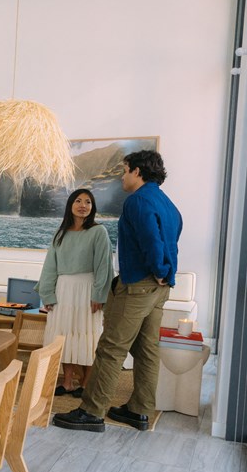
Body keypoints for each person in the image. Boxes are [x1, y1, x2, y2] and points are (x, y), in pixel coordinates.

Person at [53, 150, 182, 433]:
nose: (122, 177)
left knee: (111, 348)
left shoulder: (137, 201)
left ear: (137, 171)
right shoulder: (168, 204)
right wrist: (166, 274)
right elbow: (171, 242)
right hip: (159, 290)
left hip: (137, 286)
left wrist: (159, 270)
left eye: (125, 171)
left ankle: (90, 411)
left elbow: (151, 240)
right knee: (147, 350)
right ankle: (139, 411)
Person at [36, 189, 114, 397]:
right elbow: (50, 266)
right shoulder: (60, 233)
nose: (83, 205)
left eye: (88, 202)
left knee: (88, 335)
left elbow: (104, 267)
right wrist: (48, 294)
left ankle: (86, 383)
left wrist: (99, 295)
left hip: (87, 290)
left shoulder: (99, 232)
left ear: (93, 207)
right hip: (63, 291)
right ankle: (68, 382)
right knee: (64, 335)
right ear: (70, 205)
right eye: (78, 201)